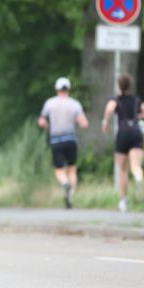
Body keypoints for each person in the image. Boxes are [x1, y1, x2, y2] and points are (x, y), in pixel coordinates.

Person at [101, 74, 144, 212]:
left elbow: (110, 109)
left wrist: (106, 122)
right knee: (136, 166)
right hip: (136, 132)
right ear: (130, 85)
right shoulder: (136, 100)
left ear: (119, 86)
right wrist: (137, 116)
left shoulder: (116, 99)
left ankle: (124, 200)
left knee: (123, 170)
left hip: (123, 133)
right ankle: (139, 177)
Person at [38, 78, 89, 209]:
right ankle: (70, 196)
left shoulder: (49, 104)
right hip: (71, 139)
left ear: (57, 89)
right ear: (69, 89)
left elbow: (42, 122)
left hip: (56, 140)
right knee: (72, 168)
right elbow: (84, 123)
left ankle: (65, 183)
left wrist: (49, 125)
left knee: (59, 169)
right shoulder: (75, 104)